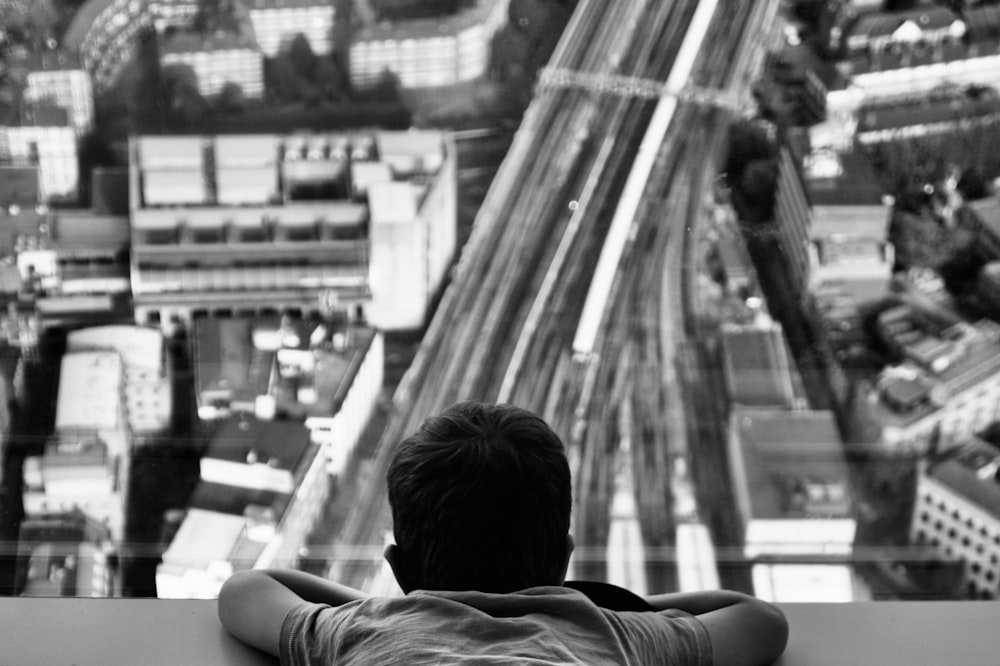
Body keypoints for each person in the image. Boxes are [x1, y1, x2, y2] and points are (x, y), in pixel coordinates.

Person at [219, 401, 788, 665]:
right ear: (563, 561)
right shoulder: (617, 638)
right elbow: (759, 621)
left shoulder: (361, 636)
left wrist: (388, 608)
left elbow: (245, 590)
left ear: (400, 568)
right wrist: (601, 607)